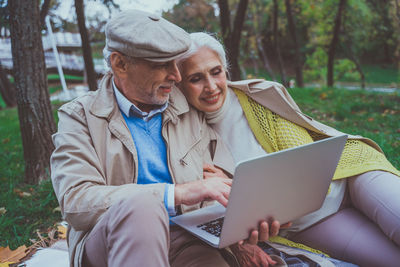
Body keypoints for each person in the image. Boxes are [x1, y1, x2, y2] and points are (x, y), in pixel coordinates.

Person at [50, 10, 285, 267]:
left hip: (187, 240)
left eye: (176, 63)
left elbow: (217, 182)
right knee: (141, 207)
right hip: (110, 242)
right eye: (161, 64)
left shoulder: (184, 104)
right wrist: (176, 193)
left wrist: (241, 239)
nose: (176, 75)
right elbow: (76, 202)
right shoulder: (80, 116)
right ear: (120, 64)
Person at [176, 32, 400, 267]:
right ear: (180, 84)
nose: (211, 86)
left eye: (215, 72)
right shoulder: (186, 137)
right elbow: (212, 210)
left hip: (348, 177)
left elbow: (306, 159)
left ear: (225, 69)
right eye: (196, 79)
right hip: (310, 222)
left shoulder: (258, 98)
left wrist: (242, 187)